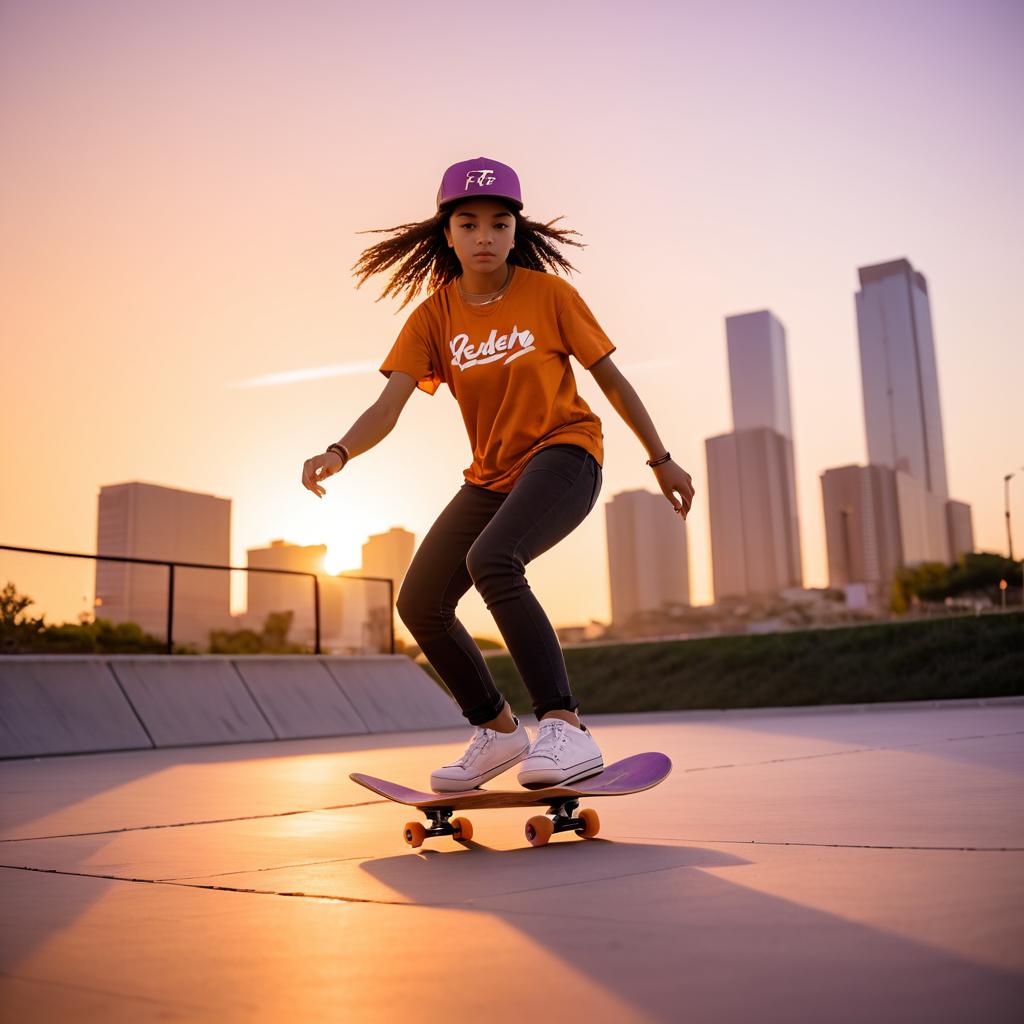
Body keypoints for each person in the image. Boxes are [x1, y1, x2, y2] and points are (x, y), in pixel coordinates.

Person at [301, 157, 694, 793]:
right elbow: (388, 406)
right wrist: (339, 451)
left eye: (498, 223)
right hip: (490, 476)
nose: (484, 235)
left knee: (495, 560)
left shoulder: (551, 296)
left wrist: (659, 457)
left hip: (565, 453)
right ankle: (500, 731)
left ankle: (566, 728)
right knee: (421, 602)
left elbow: (611, 382)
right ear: (447, 234)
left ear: (517, 231)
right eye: (468, 223)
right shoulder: (433, 317)